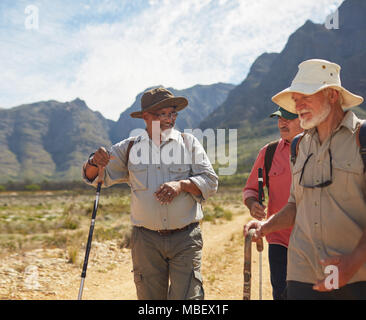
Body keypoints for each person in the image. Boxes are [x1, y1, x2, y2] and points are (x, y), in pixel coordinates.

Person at [244, 59, 366, 300]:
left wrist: (353, 262)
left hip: (355, 276)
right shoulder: (299, 146)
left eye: (305, 97)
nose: (298, 106)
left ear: (332, 95)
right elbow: (295, 205)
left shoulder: (362, 138)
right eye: (295, 100)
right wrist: (265, 227)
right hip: (302, 271)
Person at [83, 87, 218, 300]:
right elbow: (96, 177)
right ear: (145, 116)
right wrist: (93, 161)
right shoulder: (128, 148)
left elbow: (210, 182)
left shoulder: (189, 143)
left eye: (172, 113)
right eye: (162, 114)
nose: (169, 119)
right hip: (145, 241)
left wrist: (182, 185)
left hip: (185, 238)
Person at [243, 107, 303, 300]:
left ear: (304, 118)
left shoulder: (320, 149)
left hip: (313, 241)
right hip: (279, 240)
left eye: (289, 118)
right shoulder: (268, 152)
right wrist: (253, 204)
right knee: (282, 295)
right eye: (279, 118)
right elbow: (250, 190)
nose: (281, 123)